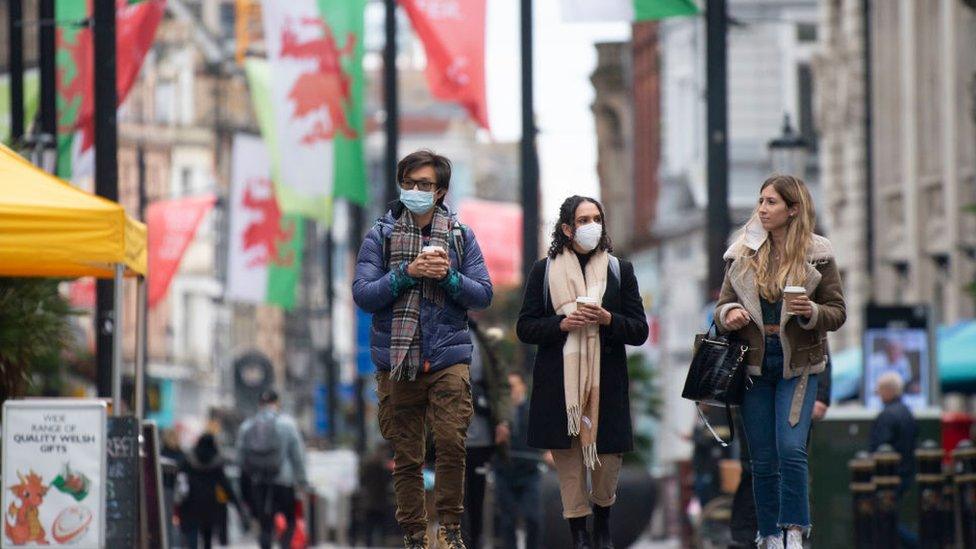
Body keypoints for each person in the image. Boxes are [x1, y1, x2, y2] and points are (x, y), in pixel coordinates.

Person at [352, 149, 493, 549]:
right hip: (397, 361)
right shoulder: (380, 235)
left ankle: (449, 528)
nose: (415, 191)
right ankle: (415, 534)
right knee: (407, 454)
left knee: (451, 442)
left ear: (441, 191)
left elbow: (483, 294)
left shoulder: (462, 237)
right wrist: (406, 273)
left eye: (425, 185)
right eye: (409, 184)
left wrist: (448, 277)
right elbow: (363, 294)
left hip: (448, 355)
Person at [715, 174, 846, 549]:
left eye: (771, 202)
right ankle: (769, 534)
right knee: (762, 458)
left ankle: (794, 530)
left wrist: (810, 311)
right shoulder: (742, 252)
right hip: (754, 366)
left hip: (799, 367)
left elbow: (837, 312)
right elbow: (722, 306)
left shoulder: (818, 253)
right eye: (760, 201)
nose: (762, 208)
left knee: (791, 448)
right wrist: (731, 315)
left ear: (792, 209)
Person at [517, 195, 649, 549]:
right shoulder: (544, 271)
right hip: (560, 386)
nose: (592, 226)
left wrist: (607, 319)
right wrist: (562, 324)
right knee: (570, 467)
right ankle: (580, 536)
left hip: (605, 385)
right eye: (583, 220)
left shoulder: (620, 270)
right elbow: (525, 328)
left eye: (596, 218)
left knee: (606, 463)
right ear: (566, 228)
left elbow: (639, 330)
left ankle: (603, 519)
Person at [728, 352, 833, 548]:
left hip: (797, 367)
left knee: (791, 452)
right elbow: (719, 323)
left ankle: (793, 534)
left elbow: (820, 341)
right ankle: (764, 535)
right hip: (753, 366)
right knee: (759, 463)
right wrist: (726, 318)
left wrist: (823, 395)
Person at [463, 318, 512, 548]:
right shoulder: (432, 329)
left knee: (477, 495)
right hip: (443, 434)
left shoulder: (481, 337)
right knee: (450, 495)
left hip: (480, 432)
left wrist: (502, 420)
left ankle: (475, 540)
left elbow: (501, 384)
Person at [237, 390, 308, 549]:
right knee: (290, 519)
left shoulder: (247, 426)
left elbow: (240, 458)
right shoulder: (287, 424)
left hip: (259, 481)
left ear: (260, 404)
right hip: (284, 481)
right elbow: (297, 455)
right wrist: (302, 480)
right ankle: (284, 545)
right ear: (277, 403)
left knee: (265, 524)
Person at [494, 370, 544, 549]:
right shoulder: (498, 412)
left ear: (522, 386)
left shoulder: (534, 410)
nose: (511, 390)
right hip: (504, 471)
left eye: (513, 386)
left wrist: (548, 452)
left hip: (529, 471)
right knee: (507, 521)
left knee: (533, 518)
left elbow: (546, 433)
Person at [870, 371, 919, 547]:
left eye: (880, 390)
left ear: (888, 390)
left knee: (885, 520)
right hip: (907, 473)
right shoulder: (907, 413)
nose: (878, 394)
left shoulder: (887, 416)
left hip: (889, 478)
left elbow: (879, 449)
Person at [178, 434, 245, 549]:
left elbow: (180, 477)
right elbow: (225, 484)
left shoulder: (188, 460)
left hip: (191, 501)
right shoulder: (216, 461)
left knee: (192, 531)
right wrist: (237, 504)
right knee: (207, 534)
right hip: (211, 503)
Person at [161, 429, 187, 548]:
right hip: (179, 494)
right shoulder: (182, 455)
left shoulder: (161, 453)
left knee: (165, 522)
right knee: (177, 524)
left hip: (164, 491)